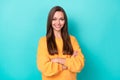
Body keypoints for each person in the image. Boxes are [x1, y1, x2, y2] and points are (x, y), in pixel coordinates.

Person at [37, 6, 84, 80]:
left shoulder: (72, 40)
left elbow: (79, 64)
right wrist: (66, 64)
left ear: (65, 21)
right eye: (54, 19)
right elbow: (44, 67)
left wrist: (58, 60)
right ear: (50, 21)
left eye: (61, 19)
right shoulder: (43, 41)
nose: (58, 23)